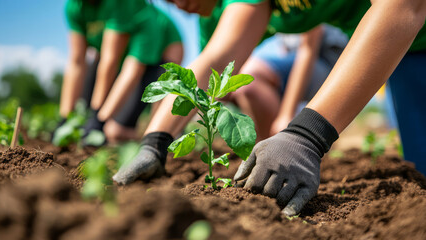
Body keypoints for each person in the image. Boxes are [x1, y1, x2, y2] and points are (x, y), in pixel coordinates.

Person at [113, 0, 426, 217]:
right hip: (407, 47)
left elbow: (401, 5)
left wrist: (307, 136)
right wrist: (155, 141)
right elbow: (213, 59)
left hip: (406, 26)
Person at [58, 0, 183, 144]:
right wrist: (65, 117)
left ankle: (159, 136)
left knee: (114, 130)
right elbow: (77, 61)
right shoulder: (74, 7)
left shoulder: (123, 5)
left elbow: (118, 64)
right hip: (122, 55)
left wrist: (99, 117)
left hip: (161, 50)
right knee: (88, 116)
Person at [228, 25, 347, 140]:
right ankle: (267, 146)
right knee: (242, 85)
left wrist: (286, 114)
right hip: (297, 64)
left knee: (251, 77)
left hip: (330, 66)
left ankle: (275, 145)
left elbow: (308, 50)